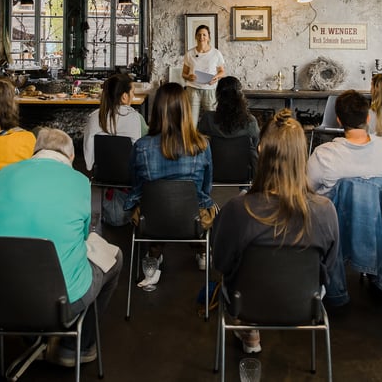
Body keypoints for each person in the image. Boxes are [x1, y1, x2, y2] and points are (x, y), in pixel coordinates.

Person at [0, 128, 123, 367]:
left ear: (35, 152)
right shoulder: (78, 180)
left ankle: (32, 338)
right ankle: (77, 347)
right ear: (69, 158)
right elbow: (83, 234)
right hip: (62, 300)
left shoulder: (5, 174)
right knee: (115, 258)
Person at [212, 109, 339, 353]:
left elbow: (222, 262)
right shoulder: (325, 211)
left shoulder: (238, 209)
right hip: (306, 303)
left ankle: (250, 330)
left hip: (246, 303)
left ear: (261, 151)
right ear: (303, 155)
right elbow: (329, 267)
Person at [125, 82, 214, 284]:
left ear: (157, 110)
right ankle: (201, 249)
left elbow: (136, 186)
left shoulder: (141, 146)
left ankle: (154, 254)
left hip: (150, 221)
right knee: (205, 205)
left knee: (155, 206)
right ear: (185, 110)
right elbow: (205, 189)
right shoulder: (202, 145)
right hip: (192, 221)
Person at [307, 90, 382, 197]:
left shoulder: (322, 155)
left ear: (339, 121)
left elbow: (307, 190)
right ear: (368, 118)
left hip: (337, 213)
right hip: (380, 213)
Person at [83, 73, 148, 171]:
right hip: (130, 176)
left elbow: (88, 157)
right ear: (124, 96)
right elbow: (144, 149)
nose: (133, 95)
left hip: (101, 175)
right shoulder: (137, 118)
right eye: (133, 92)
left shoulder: (94, 117)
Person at [198, 75, 260, 176]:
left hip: (213, 172)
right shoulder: (250, 121)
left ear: (218, 95)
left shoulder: (207, 119)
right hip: (244, 173)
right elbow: (257, 146)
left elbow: (199, 143)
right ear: (241, 96)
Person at [181, 24, 225, 126]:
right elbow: (184, 73)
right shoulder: (189, 53)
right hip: (192, 90)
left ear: (209, 37)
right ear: (196, 37)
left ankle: (211, 141)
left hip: (210, 90)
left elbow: (222, 72)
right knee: (191, 122)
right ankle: (192, 141)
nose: (202, 37)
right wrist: (189, 77)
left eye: (204, 35)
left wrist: (216, 77)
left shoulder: (216, 53)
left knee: (212, 121)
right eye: (199, 35)